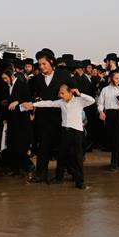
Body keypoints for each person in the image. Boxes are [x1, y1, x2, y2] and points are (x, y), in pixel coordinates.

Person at [25, 83, 95, 188]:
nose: (60, 95)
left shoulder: (79, 101)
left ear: (70, 92)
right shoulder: (61, 102)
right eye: (59, 93)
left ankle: (80, 182)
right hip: (65, 132)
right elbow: (49, 103)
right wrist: (33, 105)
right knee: (61, 155)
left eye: (62, 93)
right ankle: (59, 178)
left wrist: (80, 94)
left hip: (77, 133)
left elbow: (92, 101)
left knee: (77, 157)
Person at [29, 49, 71, 183]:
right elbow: (32, 95)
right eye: (39, 64)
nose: (41, 67)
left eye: (44, 64)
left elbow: (73, 91)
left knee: (62, 147)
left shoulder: (63, 75)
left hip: (61, 118)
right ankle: (41, 174)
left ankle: (63, 173)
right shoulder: (36, 79)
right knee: (43, 147)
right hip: (43, 118)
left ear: (51, 62)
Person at [97, 69, 119, 171]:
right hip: (109, 114)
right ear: (111, 78)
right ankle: (118, 159)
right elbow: (100, 102)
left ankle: (114, 162)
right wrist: (101, 112)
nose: (118, 80)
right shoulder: (105, 89)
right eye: (116, 78)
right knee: (111, 138)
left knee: (116, 138)